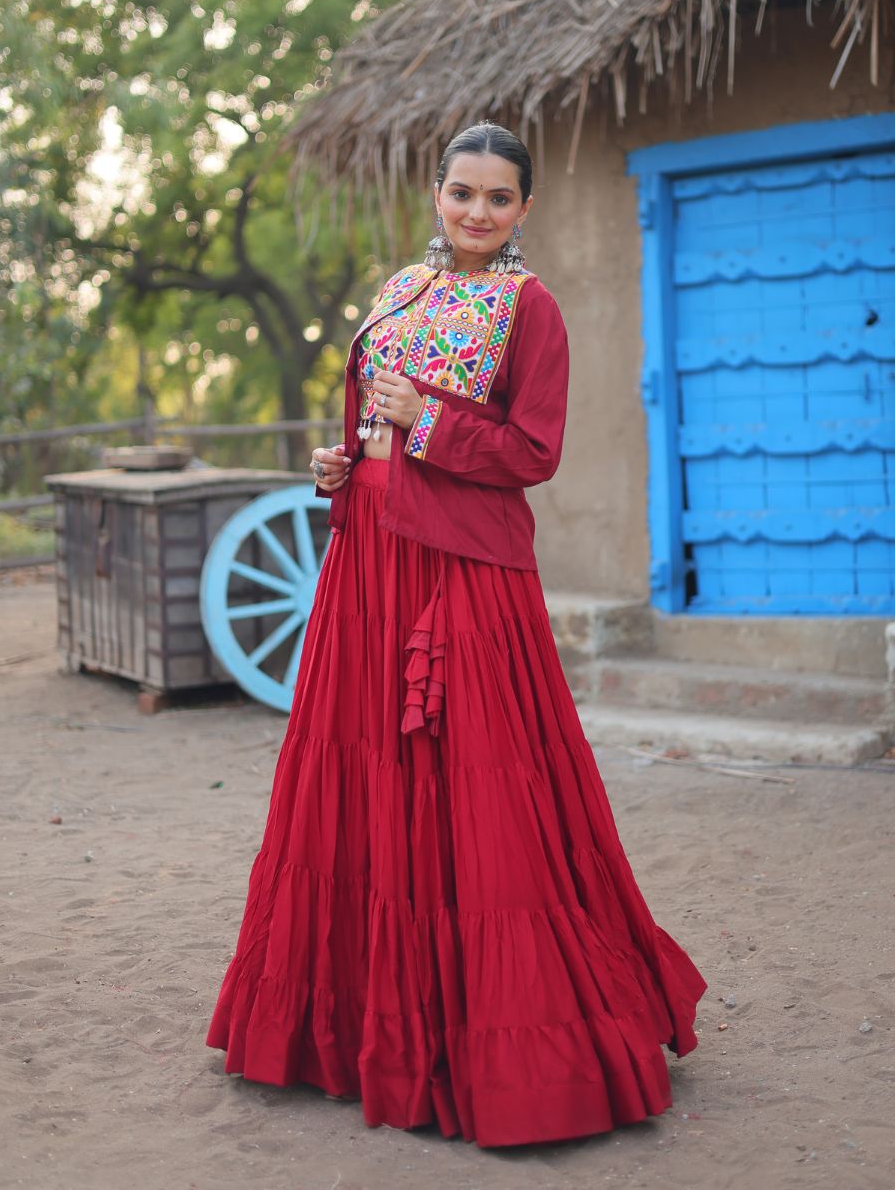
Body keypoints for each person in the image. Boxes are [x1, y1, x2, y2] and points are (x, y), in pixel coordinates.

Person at [205, 121, 706, 1148]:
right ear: (436, 193)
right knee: (365, 780)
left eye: (498, 198)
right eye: (462, 192)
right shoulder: (397, 290)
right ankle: (345, 1036)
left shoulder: (532, 309)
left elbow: (534, 450)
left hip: (465, 569)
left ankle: (507, 1051)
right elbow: (367, 417)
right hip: (369, 561)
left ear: (524, 210)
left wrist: (425, 423)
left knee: (479, 778)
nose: (477, 212)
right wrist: (343, 463)